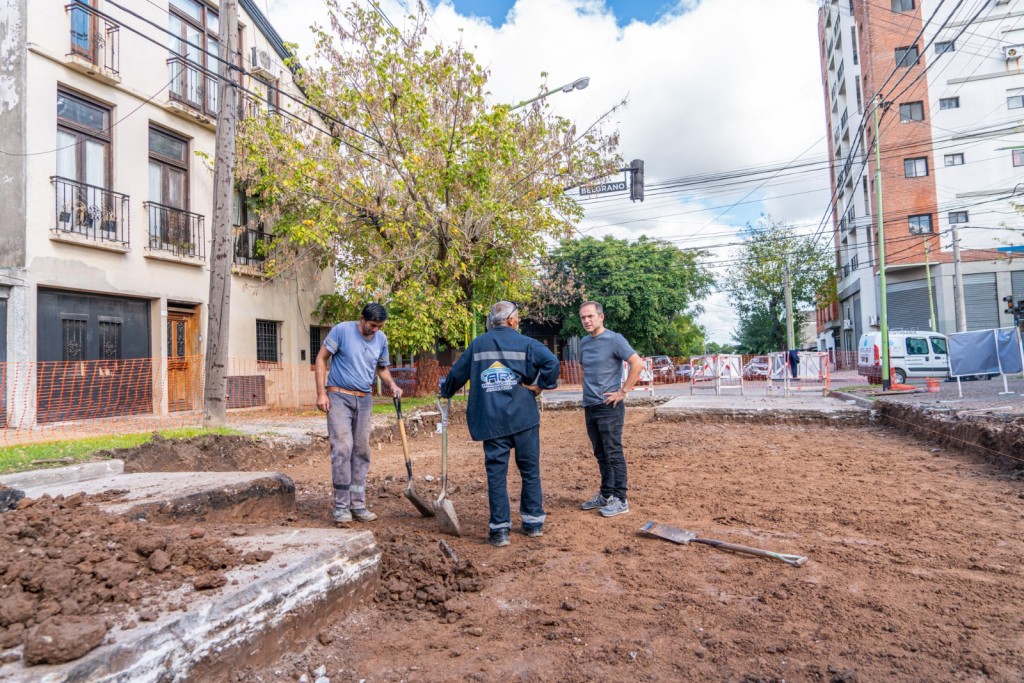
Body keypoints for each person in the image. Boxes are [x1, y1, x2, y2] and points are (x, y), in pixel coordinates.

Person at [439, 301, 560, 548]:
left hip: (491, 419)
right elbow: (552, 364)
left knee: (496, 474)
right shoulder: (527, 344)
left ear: (491, 321)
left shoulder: (478, 345)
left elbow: (456, 376)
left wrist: (445, 391)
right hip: (523, 417)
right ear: (513, 320)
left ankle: (499, 530)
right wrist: (538, 386)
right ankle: (533, 523)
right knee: (529, 469)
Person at [315, 303, 403, 524]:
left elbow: (381, 368)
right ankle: (341, 507)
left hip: (364, 399)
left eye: (379, 326)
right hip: (338, 396)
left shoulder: (381, 339)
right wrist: (321, 393)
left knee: (362, 451)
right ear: (362, 318)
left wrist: (391, 385)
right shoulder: (342, 330)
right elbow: (321, 358)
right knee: (343, 448)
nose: (375, 330)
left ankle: (358, 505)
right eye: (372, 325)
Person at [578, 301, 644, 518]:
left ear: (601, 317)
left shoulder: (615, 339)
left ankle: (621, 499)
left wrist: (623, 391)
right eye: (583, 318)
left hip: (610, 407)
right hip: (590, 406)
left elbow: (637, 364)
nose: (587, 321)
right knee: (600, 453)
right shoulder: (584, 343)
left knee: (613, 452)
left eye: (590, 316)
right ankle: (606, 494)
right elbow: (586, 369)